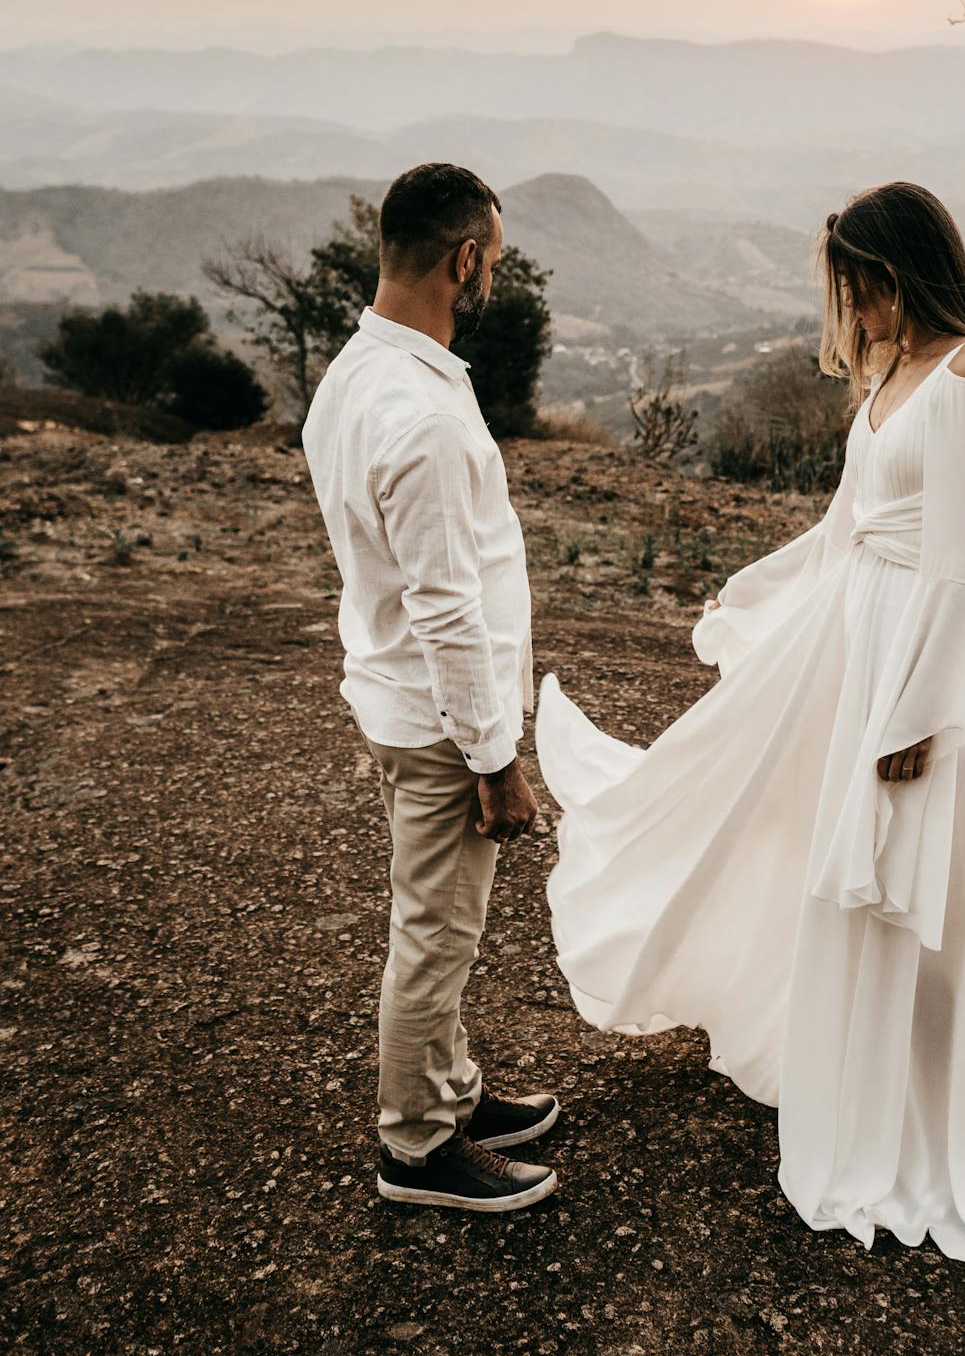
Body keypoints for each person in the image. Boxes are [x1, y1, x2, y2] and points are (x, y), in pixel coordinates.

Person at [535, 181, 965, 1284]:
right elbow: (844, 523)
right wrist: (754, 592)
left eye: (858, 288)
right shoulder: (889, 373)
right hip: (856, 640)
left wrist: (919, 712)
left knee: (916, 877)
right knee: (803, 838)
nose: (849, 312)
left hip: (923, 664)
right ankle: (867, 1085)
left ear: (898, 275)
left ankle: (939, 1114)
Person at [302, 162, 558, 1214]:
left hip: (396, 696)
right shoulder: (425, 418)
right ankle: (414, 1146)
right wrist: (496, 762)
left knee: (436, 920)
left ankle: (451, 1089)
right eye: (490, 259)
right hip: (444, 725)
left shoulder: (356, 374)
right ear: (465, 259)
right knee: (436, 932)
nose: (489, 275)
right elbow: (450, 610)